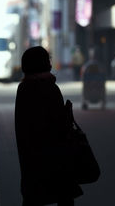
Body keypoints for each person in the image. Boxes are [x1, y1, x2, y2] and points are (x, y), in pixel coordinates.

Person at [15, 46, 83, 206]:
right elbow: (60, 124)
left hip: (31, 157)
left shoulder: (24, 88)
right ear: (45, 64)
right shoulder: (50, 88)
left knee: (33, 197)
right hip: (56, 156)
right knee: (63, 196)